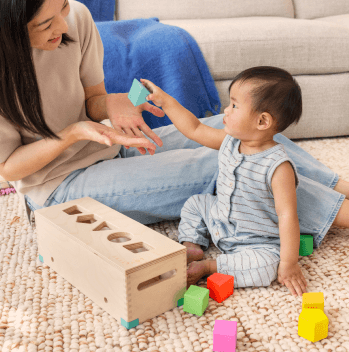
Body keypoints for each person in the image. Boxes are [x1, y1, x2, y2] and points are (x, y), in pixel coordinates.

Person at [0, 0, 348, 294]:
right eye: (46, 24)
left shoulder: (76, 17)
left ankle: (339, 188)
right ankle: (342, 213)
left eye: (63, 7)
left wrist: (109, 102)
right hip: (58, 185)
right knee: (227, 163)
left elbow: (92, 100)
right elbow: (10, 168)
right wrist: (73, 133)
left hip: (108, 145)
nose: (64, 24)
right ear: (5, 29)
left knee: (251, 137)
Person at [140, 67, 349, 297]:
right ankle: (192, 244)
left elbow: (287, 216)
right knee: (194, 203)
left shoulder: (278, 167)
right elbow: (194, 128)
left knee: (267, 266)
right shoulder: (230, 141)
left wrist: (289, 264)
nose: (225, 111)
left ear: (262, 121)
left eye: (234, 106)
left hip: (255, 241)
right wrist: (166, 101)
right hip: (220, 219)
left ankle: (211, 267)